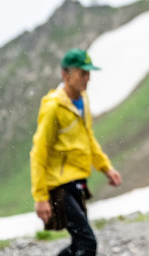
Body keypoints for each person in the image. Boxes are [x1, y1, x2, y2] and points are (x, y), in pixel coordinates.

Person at [30, 49, 122, 256]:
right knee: (87, 243)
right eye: (82, 73)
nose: (87, 78)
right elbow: (39, 152)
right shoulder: (53, 107)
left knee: (79, 244)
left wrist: (106, 168)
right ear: (65, 74)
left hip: (76, 181)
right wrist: (40, 197)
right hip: (58, 186)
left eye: (89, 73)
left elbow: (88, 138)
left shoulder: (83, 100)